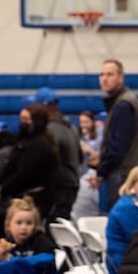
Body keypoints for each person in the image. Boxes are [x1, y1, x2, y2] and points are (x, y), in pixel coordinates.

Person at [94, 59, 138, 210]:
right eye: (101, 74)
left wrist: (101, 171)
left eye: (110, 74)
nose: (104, 78)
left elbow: (118, 147)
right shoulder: (122, 101)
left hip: (122, 175)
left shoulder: (124, 105)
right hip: (125, 172)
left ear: (121, 77)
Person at [0, 103, 59, 224]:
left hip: (33, 199)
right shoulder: (28, 142)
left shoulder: (38, 145)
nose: (22, 123)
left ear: (36, 121)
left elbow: (23, 174)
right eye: (21, 119)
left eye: (26, 119)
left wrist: (3, 189)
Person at [33, 87, 81, 220]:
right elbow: (80, 157)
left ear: (44, 106)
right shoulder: (71, 127)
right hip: (71, 183)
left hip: (59, 187)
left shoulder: (50, 130)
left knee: (54, 227)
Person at [0, 196, 58, 262]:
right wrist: (1, 258)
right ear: (8, 226)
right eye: (19, 223)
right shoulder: (6, 244)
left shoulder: (43, 244)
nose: (24, 227)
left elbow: (48, 268)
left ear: (35, 226)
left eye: (29, 223)